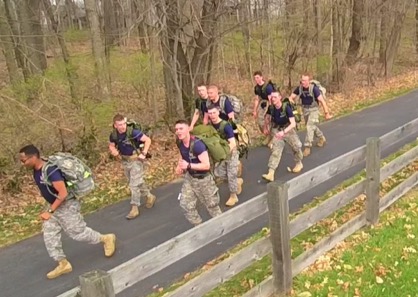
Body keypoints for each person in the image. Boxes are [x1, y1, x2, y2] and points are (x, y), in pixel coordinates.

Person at [19, 145, 116, 279]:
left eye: (24, 160)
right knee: (49, 234)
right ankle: (63, 263)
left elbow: (63, 193)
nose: (22, 163)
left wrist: (50, 211)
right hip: (53, 206)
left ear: (33, 157)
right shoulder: (36, 170)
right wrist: (49, 209)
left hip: (66, 205)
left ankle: (105, 238)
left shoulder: (51, 170)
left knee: (78, 233)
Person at [175, 119, 223, 226]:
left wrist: (188, 165)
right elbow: (182, 154)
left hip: (204, 180)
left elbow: (206, 165)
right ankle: (199, 227)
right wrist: (179, 165)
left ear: (188, 129)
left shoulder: (197, 145)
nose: (178, 131)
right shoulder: (179, 142)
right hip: (190, 178)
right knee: (185, 204)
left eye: (181, 128)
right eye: (176, 129)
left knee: (212, 207)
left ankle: (223, 228)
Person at [108, 114, 156, 219]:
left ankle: (134, 208)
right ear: (115, 125)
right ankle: (149, 196)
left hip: (136, 160)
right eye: (120, 125)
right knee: (137, 182)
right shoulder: (114, 135)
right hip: (125, 161)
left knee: (133, 185)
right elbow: (111, 145)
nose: (122, 126)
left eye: (124, 123)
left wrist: (144, 153)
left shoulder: (133, 132)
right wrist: (113, 151)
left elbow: (147, 140)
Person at [262, 92, 304, 182]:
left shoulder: (286, 108)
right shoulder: (271, 108)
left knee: (296, 146)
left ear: (280, 98)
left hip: (287, 129)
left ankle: (299, 163)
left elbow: (293, 124)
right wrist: (266, 127)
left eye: (275, 97)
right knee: (276, 150)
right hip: (277, 130)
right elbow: (267, 117)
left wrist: (284, 132)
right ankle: (271, 173)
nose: (273, 99)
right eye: (272, 97)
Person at [207, 105, 243, 206]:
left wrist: (226, 154)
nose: (212, 115)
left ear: (218, 112)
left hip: (231, 152)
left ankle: (233, 196)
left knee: (231, 174)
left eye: (214, 113)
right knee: (218, 173)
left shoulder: (225, 125)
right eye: (210, 113)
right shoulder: (210, 126)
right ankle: (237, 182)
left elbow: (232, 143)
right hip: (220, 154)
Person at [289, 73, 332, 157]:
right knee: (312, 127)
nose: (303, 82)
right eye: (302, 80)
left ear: (309, 81)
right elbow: (291, 97)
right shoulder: (299, 88)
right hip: (305, 110)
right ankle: (321, 137)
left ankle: (307, 146)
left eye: (305, 80)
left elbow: (322, 101)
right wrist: (291, 102)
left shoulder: (314, 89)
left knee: (309, 126)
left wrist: (326, 113)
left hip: (314, 110)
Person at [253, 71, 274, 139]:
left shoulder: (268, 87)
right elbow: (257, 99)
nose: (256, 79)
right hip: (262, 103)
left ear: (261, 77)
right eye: (255, 78)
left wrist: (270, 110)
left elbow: (271, 99)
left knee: (268, 120)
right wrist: (255, 110)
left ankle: (272, 137)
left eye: (258, 78)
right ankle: (267, 134)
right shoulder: (256, 88)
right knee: (260, 120)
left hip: (269, 102)